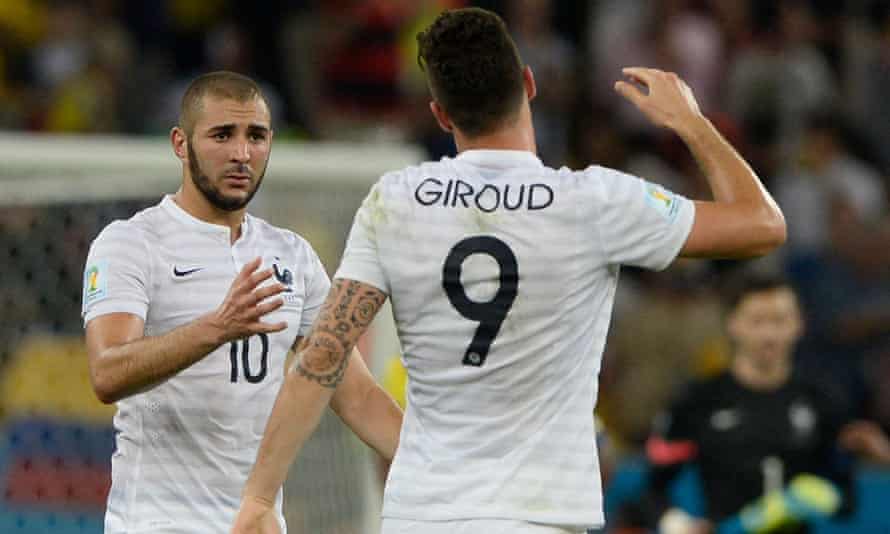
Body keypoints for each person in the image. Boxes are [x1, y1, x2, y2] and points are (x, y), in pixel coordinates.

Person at [232, 8, 786, 534]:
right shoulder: (592, 200)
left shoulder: (396, 201)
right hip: (538, 513)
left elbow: (323, 358)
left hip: (422, 515)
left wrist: (259, 498)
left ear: (441, 114)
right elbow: (761, 224)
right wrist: (690, 122)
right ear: (528, 82)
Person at [81, 71, 403, 534]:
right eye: (222, 135)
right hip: (156, 522)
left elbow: (357, 396)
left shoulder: (292, 254)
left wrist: (444, 468)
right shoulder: (132, 243)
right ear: (180, 143)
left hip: (253, 523)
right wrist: (217, 327)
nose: (241, 153)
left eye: (255, 136)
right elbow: (107, 372)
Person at [620, 272, 890, 534]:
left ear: (799, 324)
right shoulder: (697, 401)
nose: (769, 335)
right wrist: (679, 525)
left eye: (779, 321)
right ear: (732, 323)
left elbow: (846, 503)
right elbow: (649, 493)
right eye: (757, 321)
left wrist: (806, 498)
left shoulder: (823, 400)